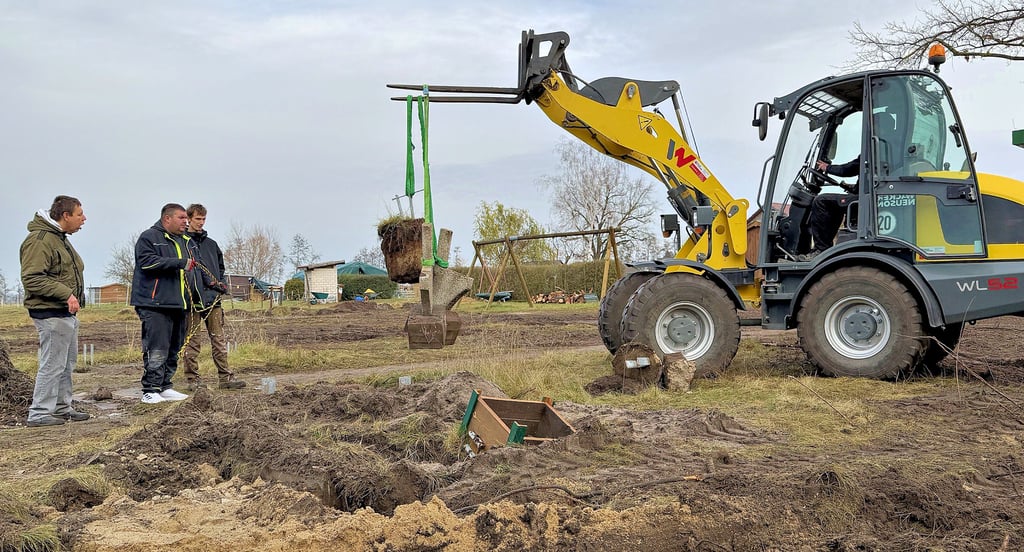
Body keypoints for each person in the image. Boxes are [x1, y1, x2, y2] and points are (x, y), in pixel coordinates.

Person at [20, 196, 89, 427]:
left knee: (66, 364)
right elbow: (32, 278)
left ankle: (61, 408)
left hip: (65, 314)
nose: (84, 219)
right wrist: (66, 294)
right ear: (66, 216)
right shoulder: (40, 240)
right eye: (80, 214)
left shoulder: (60, 239)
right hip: (50, 313)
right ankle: (39, 412)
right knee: (52, 363)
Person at [131, 203, 199, 404]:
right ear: (167, 218)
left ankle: (165, 385)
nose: (185, 222)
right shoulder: (149, 237)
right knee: (157, 347)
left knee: (174, 347)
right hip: (154, 303)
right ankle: (150, 389)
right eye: (181, 218)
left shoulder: (185, 241)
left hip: (179, 304)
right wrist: (178, 263)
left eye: (186, 218)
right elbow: (147, 262)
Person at [181, 204, 245, 391]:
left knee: (218, 339)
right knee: (192, 341)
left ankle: (225, 378)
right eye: (197, 219)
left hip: (213, 300)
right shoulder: (182, 243)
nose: (200, 223)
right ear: (189, 219)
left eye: (203, 219)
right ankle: (193, 380)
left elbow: (220, 268)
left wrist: (220, 284)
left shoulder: (212, 245)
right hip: (192, 301)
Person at [799, 157, 860, 261]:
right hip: (866, 196)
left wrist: (827, 168)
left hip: (865, 198)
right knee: (834, 204)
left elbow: (849, 168)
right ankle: (825, 247)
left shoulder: (871, 152)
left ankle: (821, 249)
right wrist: (852, 188)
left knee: (821, 201)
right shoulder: (881, 152)